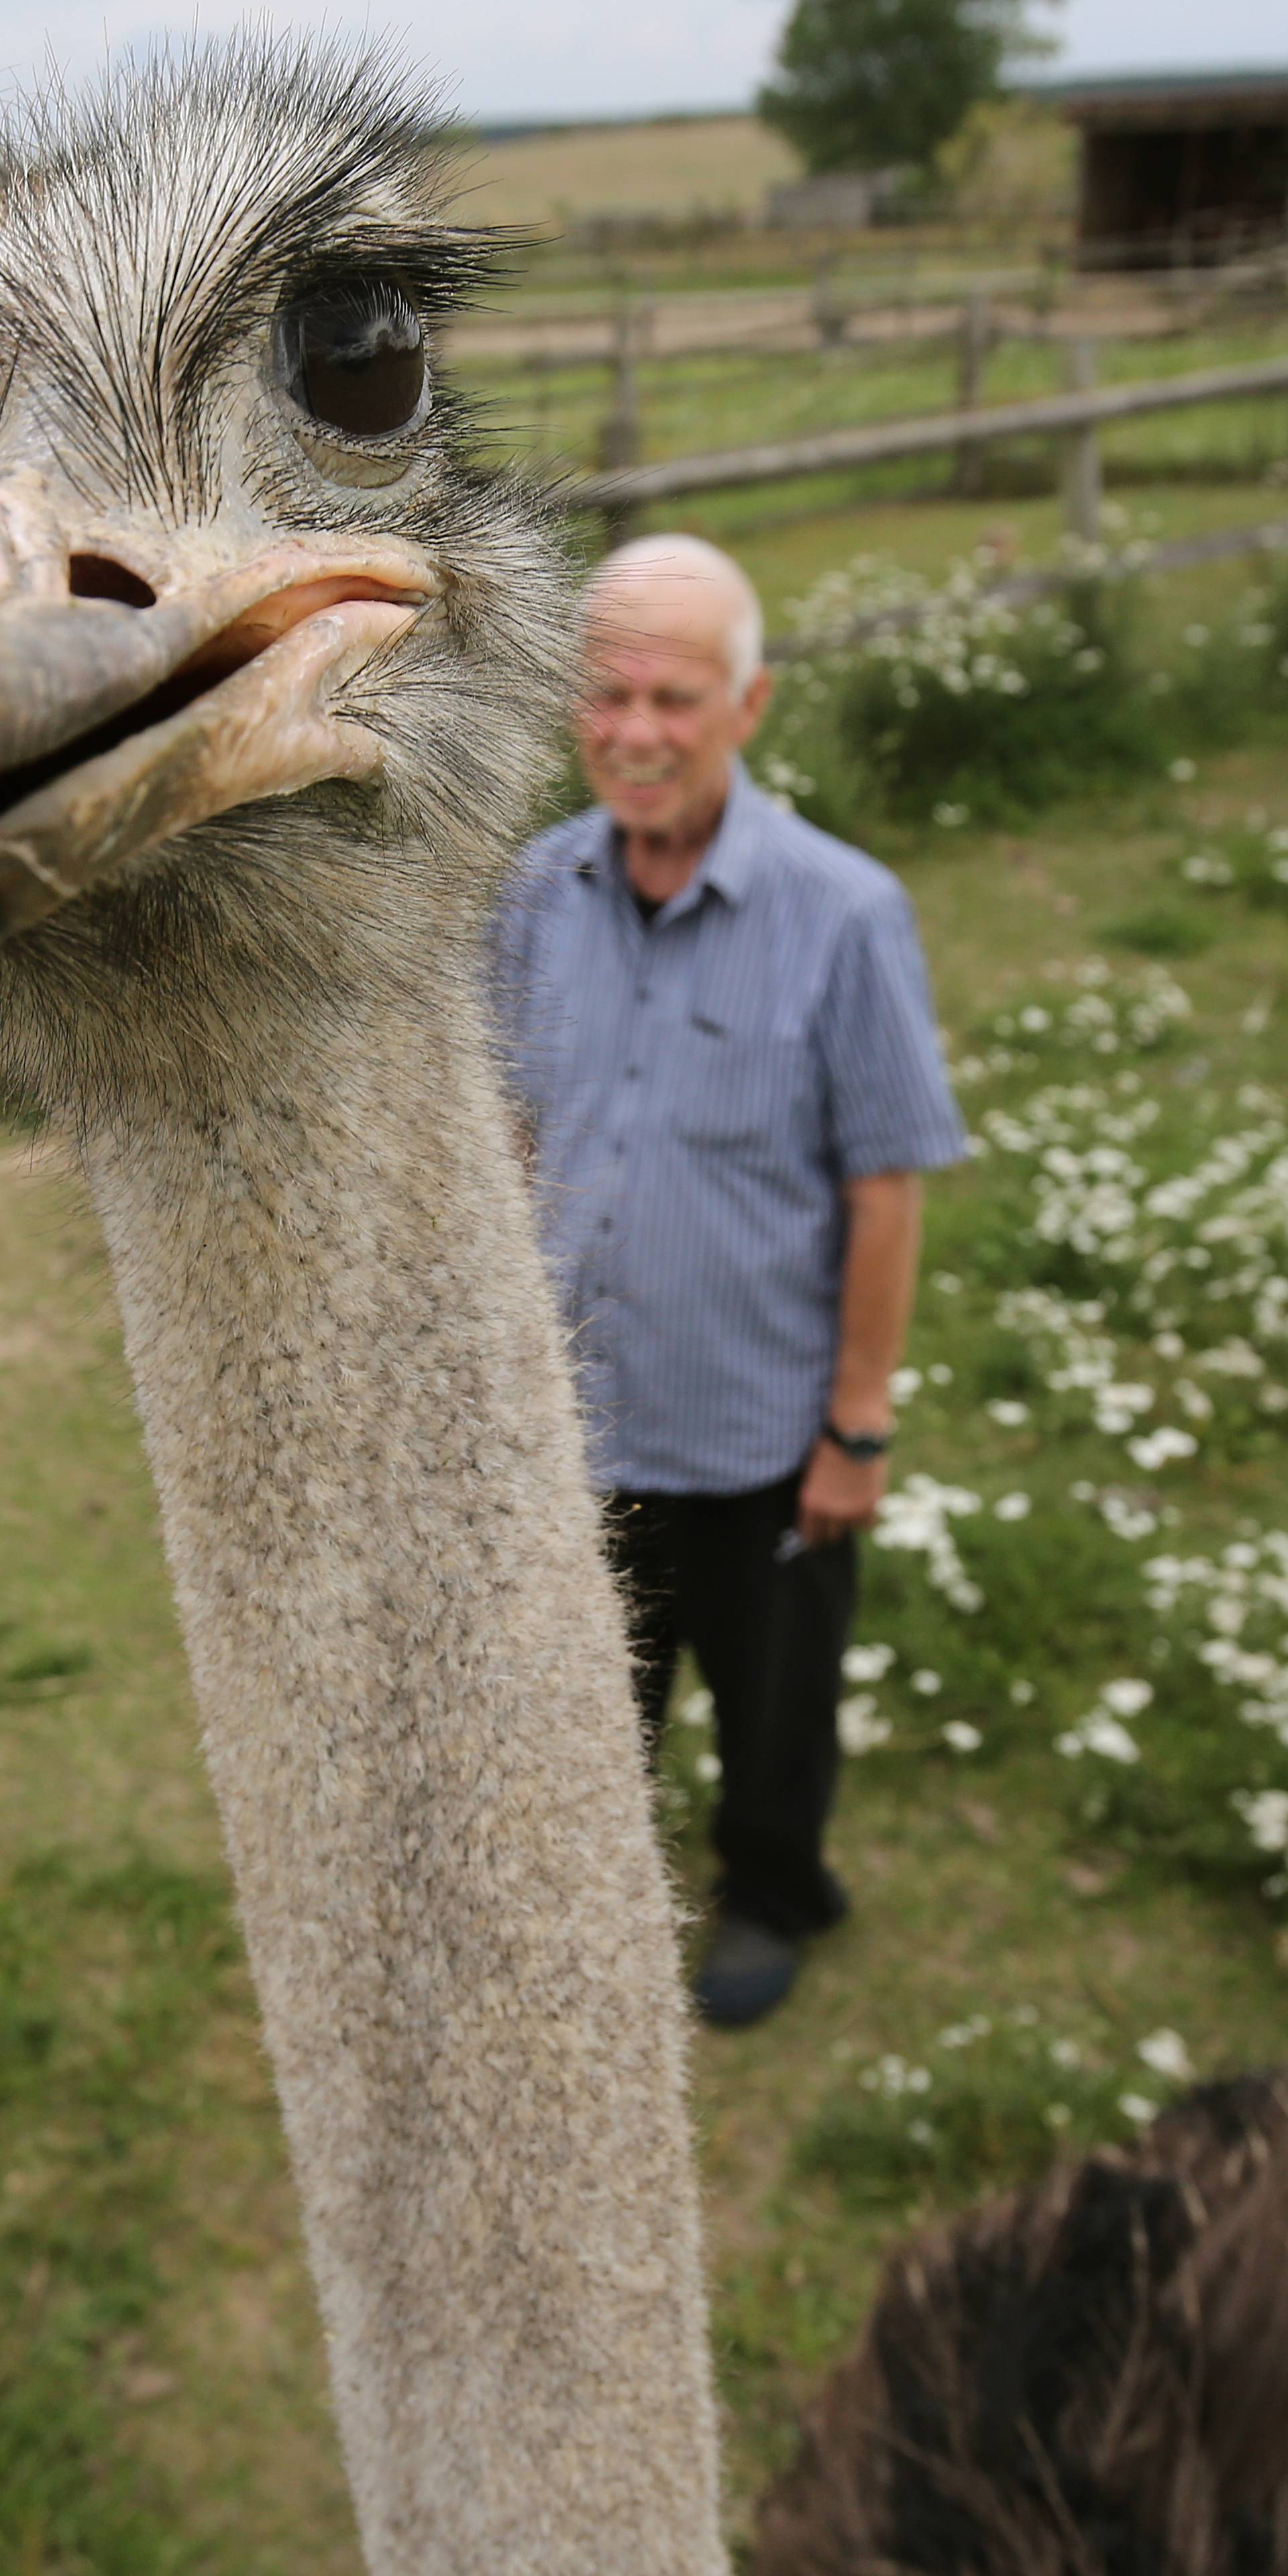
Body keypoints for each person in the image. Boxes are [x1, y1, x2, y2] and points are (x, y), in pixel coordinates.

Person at [492, 533, 967, 2027]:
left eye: (677, 699)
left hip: (766, 1436)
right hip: (579, 1427)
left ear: (749, 706)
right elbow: (510, 1135)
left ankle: (767, 1892)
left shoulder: (845, 915)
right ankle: (600, 1903)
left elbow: (883, 1189)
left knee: (776, 1709)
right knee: (588, 1709)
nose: (636, 734)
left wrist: (857, 1425)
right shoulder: (531, 894)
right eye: (608, 695)